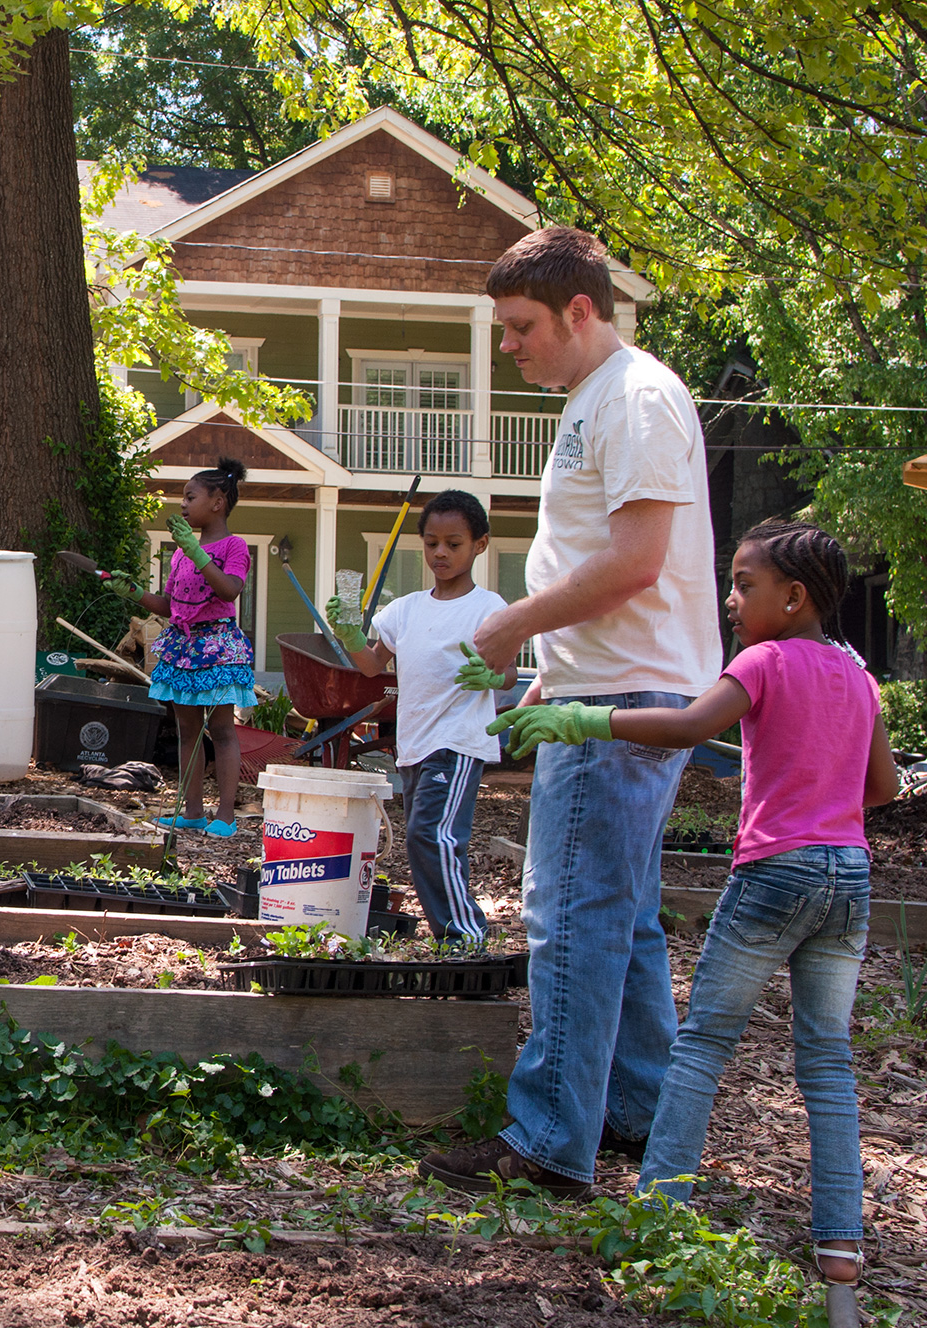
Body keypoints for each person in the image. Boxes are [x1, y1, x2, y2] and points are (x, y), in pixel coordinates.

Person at [492, 520, 898, 1298]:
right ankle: (840, 1242)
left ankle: (659, 1217)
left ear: (795, 596)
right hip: (849, 880)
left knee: (702, 1045)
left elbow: (687, 726)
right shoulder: (856, 674)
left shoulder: (763, 660)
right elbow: (880, 788)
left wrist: (586, 720)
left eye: (746, 585)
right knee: (828, 1062)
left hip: (773, 874)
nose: (732, 598)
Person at [419, 227, 722, 1197]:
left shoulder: (631, 397)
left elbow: (635, 562)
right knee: (621, 914)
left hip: (624, 698)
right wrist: (553, 664)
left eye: (518, 328)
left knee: (570, 915)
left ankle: (550, 1137)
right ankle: (633, 1111)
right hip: (607, 683)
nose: (507, 345)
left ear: (579, 312)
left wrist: (509, 627)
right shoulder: (594, 398)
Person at [327, 490, 515, 947]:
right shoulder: (406, 609)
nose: (441, 553)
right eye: (432, 543)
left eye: (454, 543)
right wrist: (349, 633)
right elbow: (372, 665)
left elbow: (508, 675)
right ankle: (455, 934)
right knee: (421, 839)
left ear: (480, 545)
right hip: (413, 743)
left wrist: (489, 674)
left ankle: (465, 936)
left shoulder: (488, 608)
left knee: (434, 835)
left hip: (458, 740)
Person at [109, 457, 255, 837]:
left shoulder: (235, 546)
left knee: (221, 729)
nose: (183, 505)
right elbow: (171, 606)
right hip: (182, 645)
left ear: (218, 501)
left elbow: (230, 589)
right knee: (186, 731)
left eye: (190, 497)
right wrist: (136, 593)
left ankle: (225, 815)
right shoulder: (178, 553)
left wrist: (196, 551)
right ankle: (191, 811)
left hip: (217, 645)